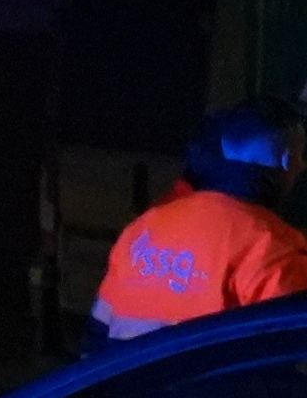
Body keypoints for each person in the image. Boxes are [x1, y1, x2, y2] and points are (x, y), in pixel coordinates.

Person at [91, 101, 307, 337]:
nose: (302, 165)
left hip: (127, 374)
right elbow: (290, 347)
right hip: (214, 376)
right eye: (301, 156)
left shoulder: (144, 229)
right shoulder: (272, 246)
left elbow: (97, 333)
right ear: (287, 161)